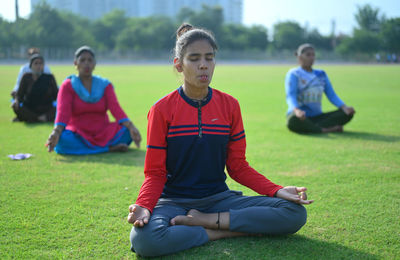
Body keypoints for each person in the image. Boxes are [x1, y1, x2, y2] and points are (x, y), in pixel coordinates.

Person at [127, 24, 313, 257]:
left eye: (209, 58)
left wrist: (276, 191)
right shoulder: (161, 110)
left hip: (219, 199)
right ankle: (222, 231)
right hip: (173, 202)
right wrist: (144, 206)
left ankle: (206, 221)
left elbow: (238, 166)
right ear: (178, 64)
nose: (203, 65)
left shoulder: (230, 106)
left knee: (294, 212)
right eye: (194, 59)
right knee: (144, 241)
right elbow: (155, 172)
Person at [46, 46, 141, 154]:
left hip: (103, 131)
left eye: (90, 60)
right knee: (63, 140)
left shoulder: (105, 85)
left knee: (127, 132)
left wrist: (131, 126)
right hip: (78, 133)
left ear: (95, 64)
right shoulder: (68, 85)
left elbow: (116, 109)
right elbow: (63, 112)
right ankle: (108, 148)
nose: (86, 64)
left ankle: (92, 148)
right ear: (75, 63)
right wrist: (56, 132)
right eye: (82, 60)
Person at [285, 43, 355, 134]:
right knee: (293, 121)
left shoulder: (321, 74)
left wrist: (344, 107)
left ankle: (313, 128)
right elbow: (291, 95)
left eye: (313, 55)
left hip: (318, 117)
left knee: (347, 113)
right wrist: (296, 110)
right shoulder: (294, 74)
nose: (312, 57)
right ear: (300, 57)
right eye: (308, 55)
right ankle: (326, 129)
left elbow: (332, 95)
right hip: (301, 116)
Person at [12, 54, 58, 122]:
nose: (38, 66)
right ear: (31, 66)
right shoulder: (26, 77)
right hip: (30, 108)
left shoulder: (50, 78)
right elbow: (20, 96)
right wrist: (16, 100)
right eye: (36, 63)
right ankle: (40, 118)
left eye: (41, 63)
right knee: (15, 106)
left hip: (46, 109)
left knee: (61, 108)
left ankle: (31, 118)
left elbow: (57, 95)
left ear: (43, 66)